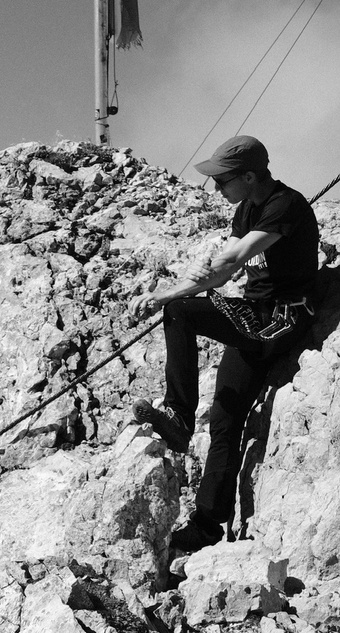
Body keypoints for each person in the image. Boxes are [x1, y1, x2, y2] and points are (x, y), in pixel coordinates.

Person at [133, 135, 319, 555]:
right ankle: (206, 527)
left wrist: (167, 294)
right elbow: (226, 265)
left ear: (249, 176)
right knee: (224, 420)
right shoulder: (247, 210)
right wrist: (199, 275)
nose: (217, 188)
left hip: (283, 318)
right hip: (254, 317)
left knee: (180, 310)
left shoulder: (285, 205)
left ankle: (178, 416)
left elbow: (234, 261)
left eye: (223, 180)